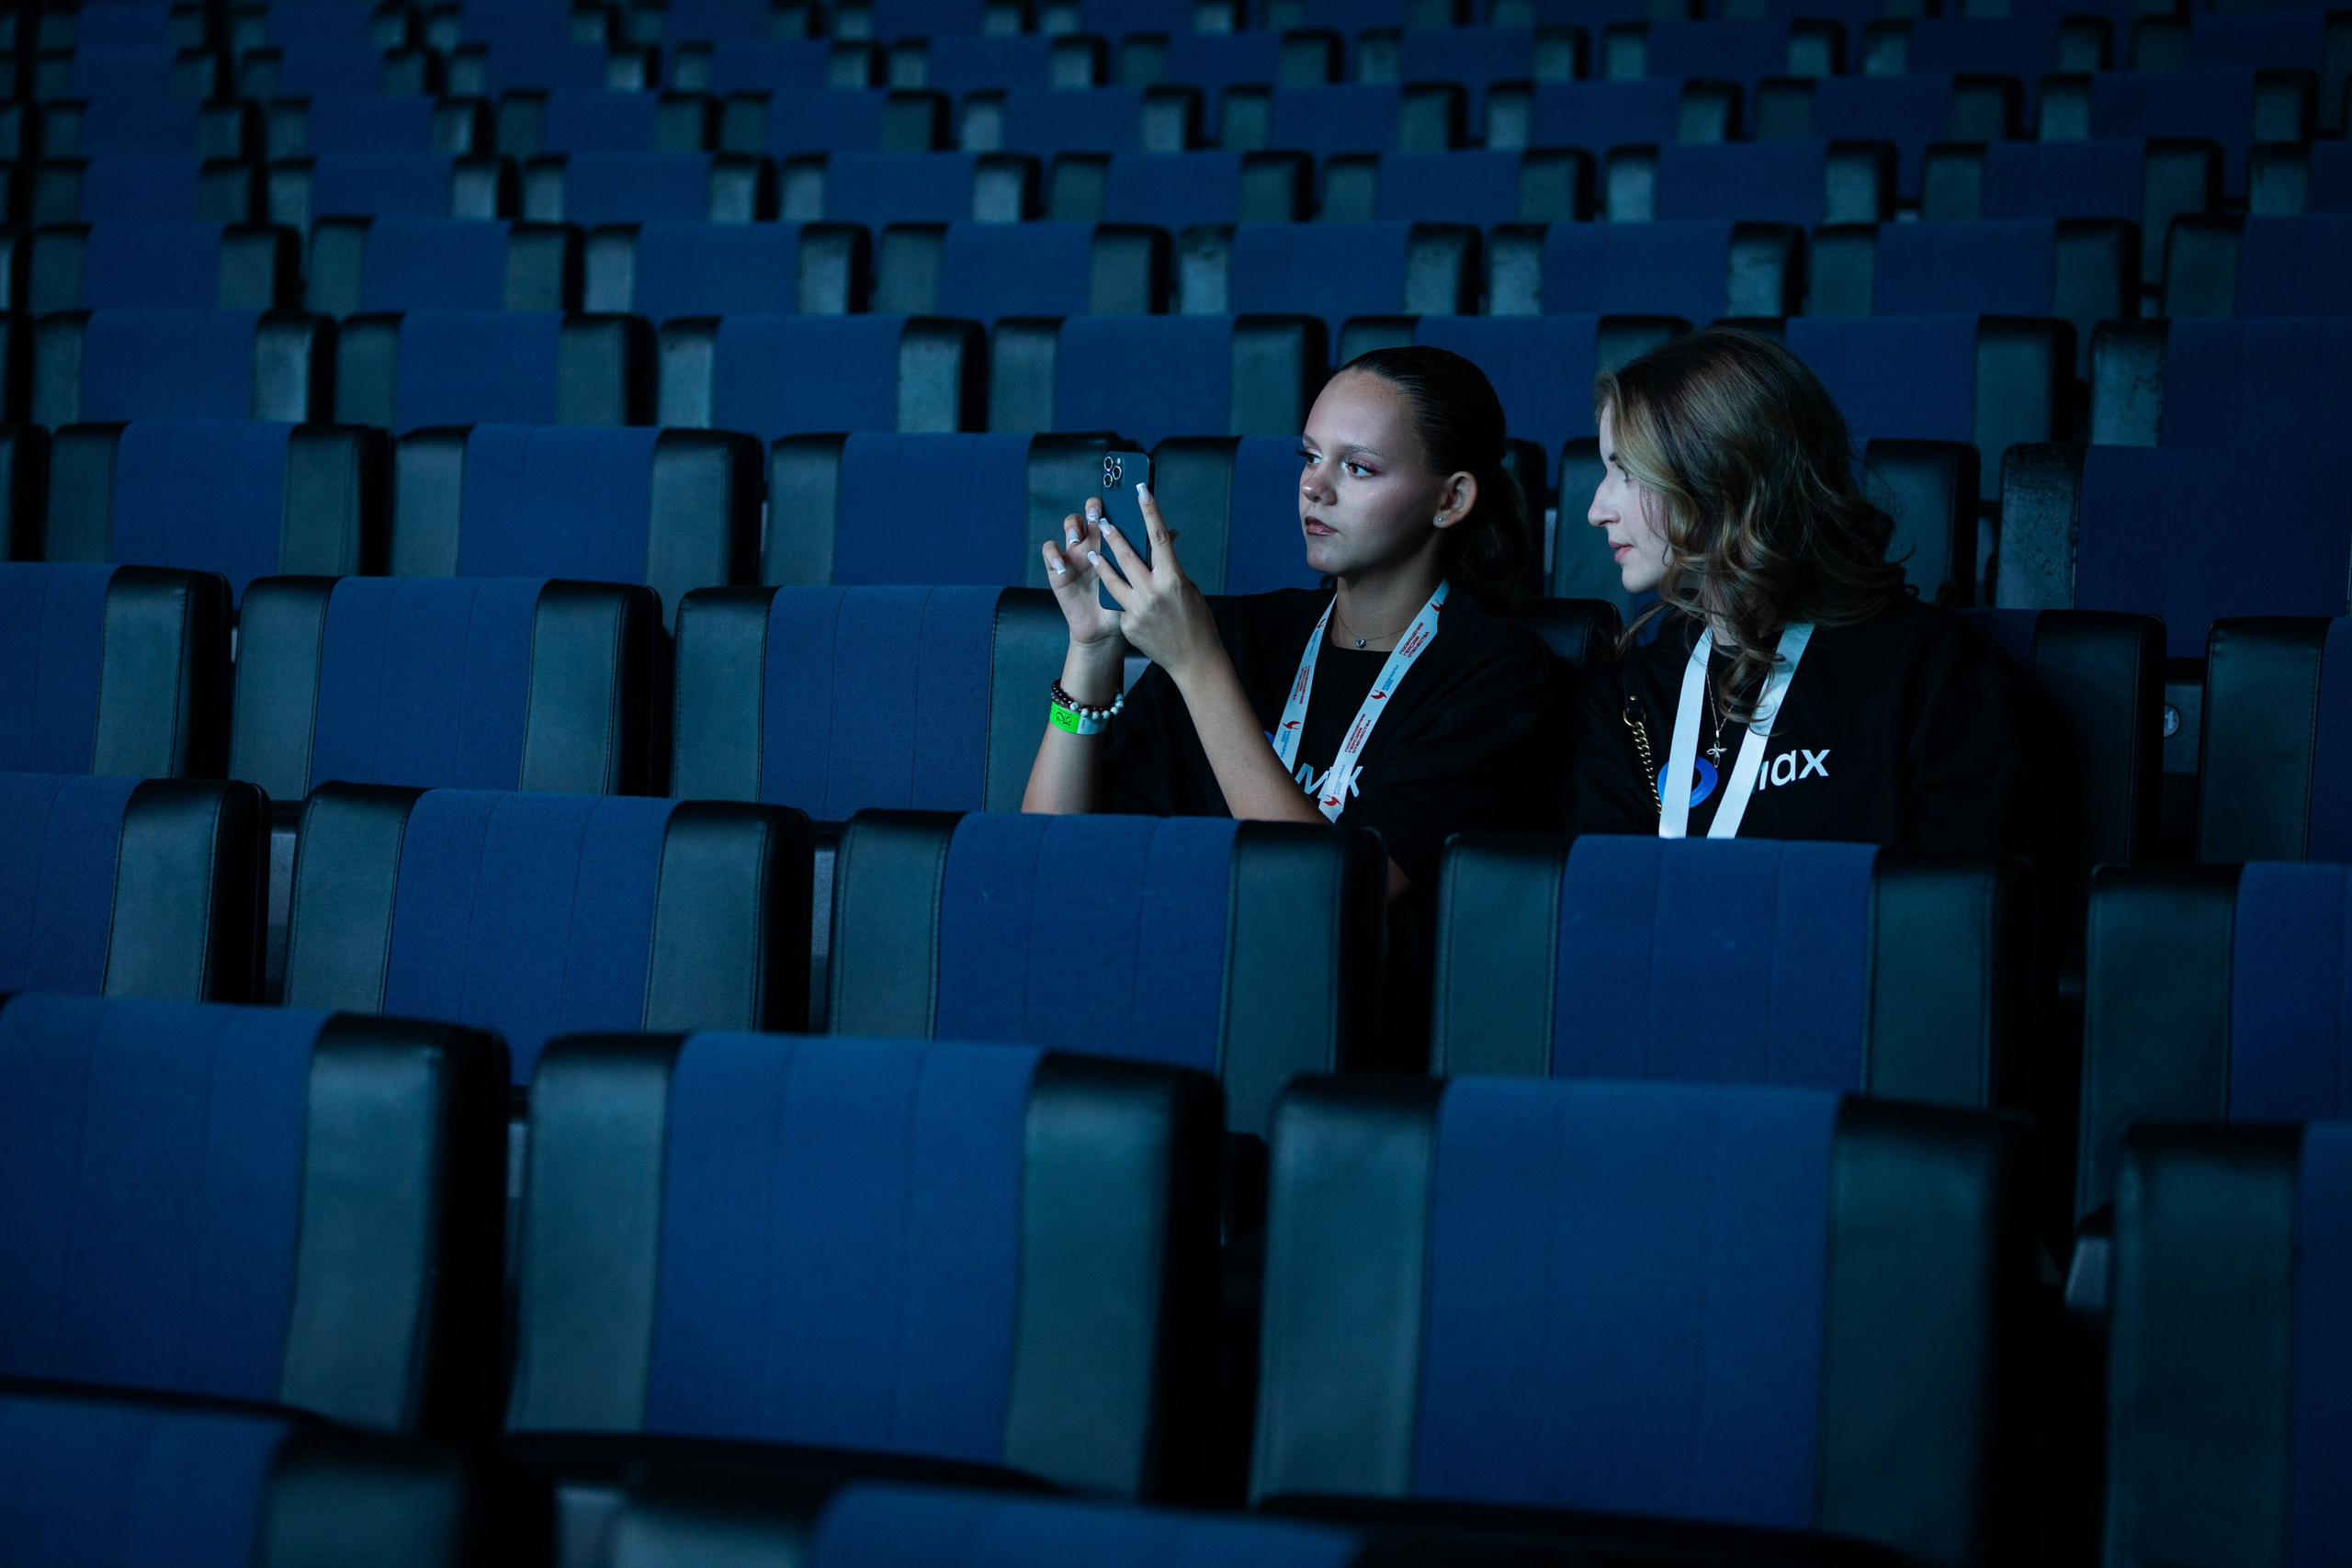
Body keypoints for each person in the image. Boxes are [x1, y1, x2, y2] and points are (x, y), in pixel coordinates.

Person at [1023, 346, 1563, 1056]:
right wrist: (1091, 654)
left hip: (1333, 1048)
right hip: (1162, 997)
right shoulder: (1243, 634)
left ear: (1451, 499)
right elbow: (1045, 858)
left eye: (1358, 467)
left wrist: (1197, 664)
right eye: (1310, 457)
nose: (1315, 488)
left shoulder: (1499, 674)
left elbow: (1324, 902)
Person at [1574, 327, 2031, 851]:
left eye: (1626, 472)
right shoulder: (1630, 692)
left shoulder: (1939, 674)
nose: (1595, 511)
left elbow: (1948, 914)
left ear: (1722, 477)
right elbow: (1606, 907)